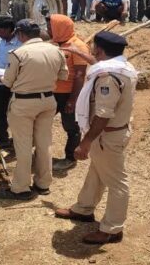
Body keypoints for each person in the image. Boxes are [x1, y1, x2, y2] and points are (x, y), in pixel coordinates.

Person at [55, 31, 138, 245]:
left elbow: (103, 113)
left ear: (100, 50)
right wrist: (78, 53)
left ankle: (112, 229)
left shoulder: (108, 78)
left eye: (94, 48)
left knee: (117, 182)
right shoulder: (122, 66)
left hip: (106, 135)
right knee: (97, 173)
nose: (91, 51)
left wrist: (85, 142)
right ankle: (84, 209)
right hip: (112, 133)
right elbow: (100, 64)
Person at [0, 20, 68, 201]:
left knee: (23, 145)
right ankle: (43, 184)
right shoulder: (56, 50)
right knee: (44, 144)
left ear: (20, 34)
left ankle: (20, 188)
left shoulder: (19, 53)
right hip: (48, 100)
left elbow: (8, 81)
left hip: (24, 103)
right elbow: (63, 76)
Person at [47, 14, 90, 171]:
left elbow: (79, 75)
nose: (47, 30)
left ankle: (70, 158)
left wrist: (72, 100)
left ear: (60, 27)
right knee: (42, 122)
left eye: (50, 27)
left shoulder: (78, 46)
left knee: (71, 126)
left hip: (68, 93)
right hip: (51, 92)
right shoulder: (54, 44)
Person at [0, 16, 22, 150]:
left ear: (9, 29)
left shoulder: (21, 43)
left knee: (17, 114)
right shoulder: (0, 39)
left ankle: (18, 142)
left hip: (15, 84)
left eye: (0, 30)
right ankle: (2, 140)